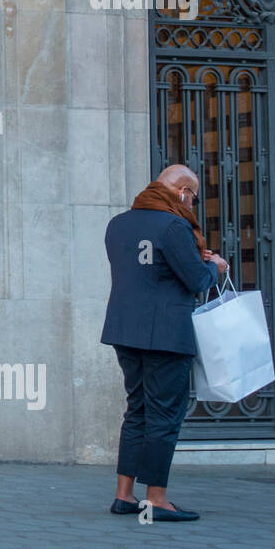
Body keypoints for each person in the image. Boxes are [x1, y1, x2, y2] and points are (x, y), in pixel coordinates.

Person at [101, 164, 228, 522]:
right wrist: (215, 267)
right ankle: (156, 499)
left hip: (125, 329)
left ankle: (124, 495)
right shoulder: (174, 225)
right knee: (164, 415)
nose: (192, 204)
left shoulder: (118, 224)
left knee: (137, 410)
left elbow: (145, 271)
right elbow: (195, 280)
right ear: (183, 192)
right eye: (193, 197)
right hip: (166, 334)